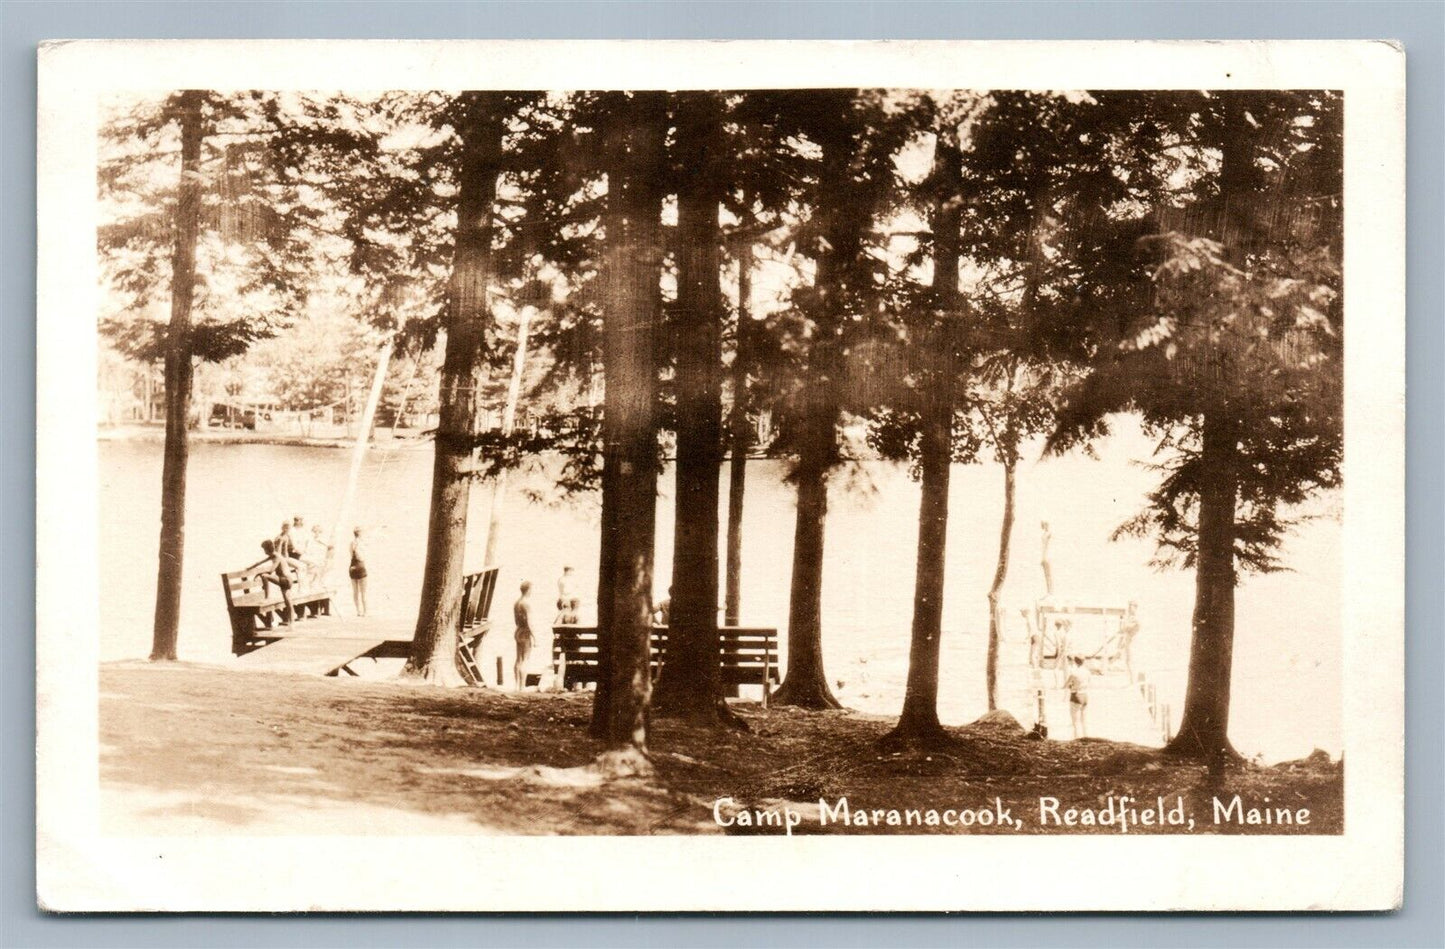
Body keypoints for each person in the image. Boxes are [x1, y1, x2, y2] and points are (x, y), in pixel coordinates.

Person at [256, 538, 301, 626]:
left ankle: (267, 597)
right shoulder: (274, 555)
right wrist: (249, 568)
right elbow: (259, 562)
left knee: (264, 576)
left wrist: (260, 573)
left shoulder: (276, 557)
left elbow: (271, 571)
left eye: (264, 549)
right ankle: (292, 622)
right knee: (288, 601)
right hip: (287, 580)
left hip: (285, 580)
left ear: (267, 549)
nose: (263, 551)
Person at [514, 580, 535, 690]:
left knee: (518, 659)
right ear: (528, 590)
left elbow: (516, 621)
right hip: (526, 632)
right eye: (531, 589)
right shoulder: (526, 604)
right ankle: (522, 687)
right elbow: (529, 622)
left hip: (518, 631)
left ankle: (516, 686)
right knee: (525, 660)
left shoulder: (517, 603)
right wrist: (535, 637)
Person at [1065, 655, 1090, 739]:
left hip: (1076, 695)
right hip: (1085, 695)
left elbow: (1066, 685)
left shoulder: (1074, 673)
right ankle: (1086, 737)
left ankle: (1077, 738)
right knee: (1084, 720)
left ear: (1075, 662)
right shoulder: (1087, 672)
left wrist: (1071, 686)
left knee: (1075, 721)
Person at [1117, 600, 1141, 682]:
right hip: (1128, 641)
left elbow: (1136, 627)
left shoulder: (1137, 618)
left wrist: (1125, 628)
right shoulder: (1129, 618)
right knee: (1128, 661)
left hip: (1133, 642)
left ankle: (1133, 680)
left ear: (1135, 608)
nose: (1130, 609)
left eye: (1132, 607)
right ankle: (1131, 680)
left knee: (1131, 661)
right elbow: (1125, 629)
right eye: (1129, 607)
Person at [348, 527, 368, 617]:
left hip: (352, 566)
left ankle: (358, 611)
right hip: (360, 566)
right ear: (360, 534)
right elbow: (360, 556)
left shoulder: (351, 543)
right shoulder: (361, 543)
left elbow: (351, 555)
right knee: (363, 591)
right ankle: (365, 611)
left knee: (355, 591)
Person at [1039, 520, 1054, 595]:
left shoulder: (1050, 534)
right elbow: (1043, 546)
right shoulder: (1044, 534)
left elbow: (1050, 545)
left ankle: (1051, 591)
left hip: (1049, 555)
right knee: (1046, 574)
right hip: (1045, 555)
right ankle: (1049, 591)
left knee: (1049, 574)